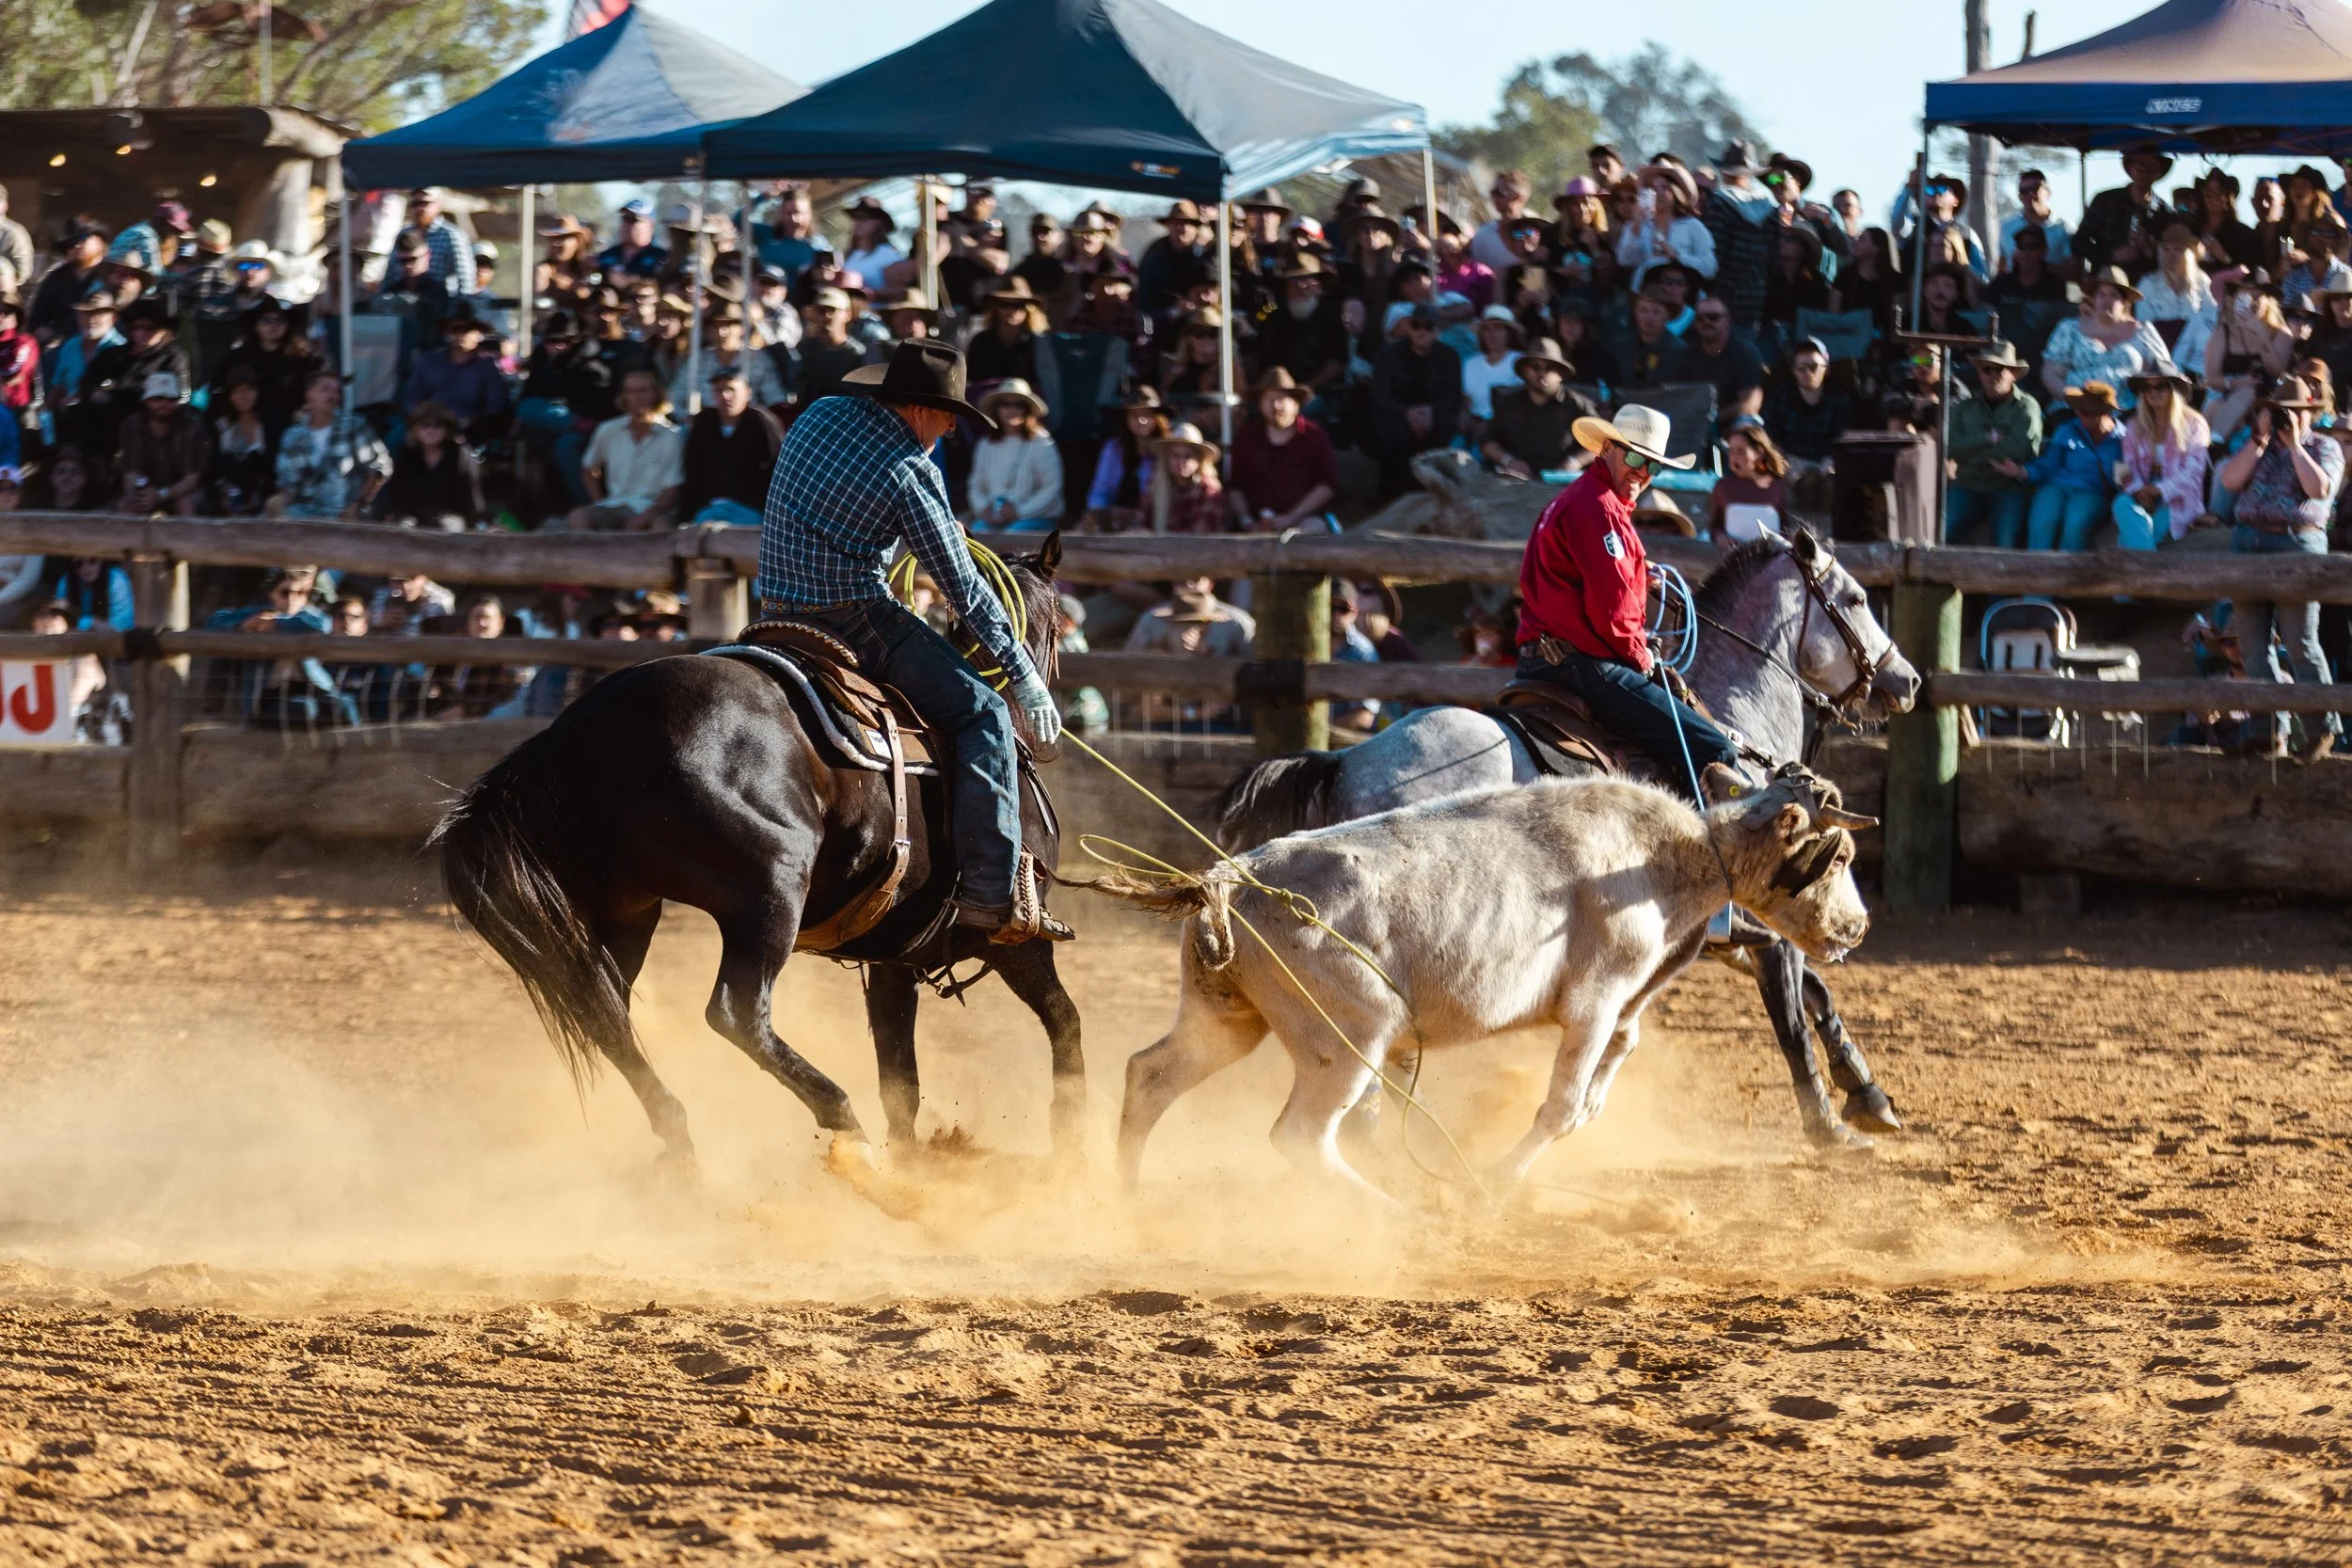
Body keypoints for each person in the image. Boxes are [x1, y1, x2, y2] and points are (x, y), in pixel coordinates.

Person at [754, 339, 1066, 942]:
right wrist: (1024, 676)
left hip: (774, 612)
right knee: (984, 713)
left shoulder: (820, 413)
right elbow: (964, 589)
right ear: (921, 409)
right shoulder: (911, 473)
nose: (950, 430)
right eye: (949, 416)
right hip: (854, 617)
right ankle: (989, 893)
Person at [1515, 403, 1740, 805]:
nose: (1643, 472)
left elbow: (1578, 577)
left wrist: (1638, 573)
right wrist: (1643, 659)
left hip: (1547, 657)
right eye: (1635, 457)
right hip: (1584, 664)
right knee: (1713, 750)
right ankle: (1699, 856)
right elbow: (1613, 616)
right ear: (1606, 450)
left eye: (1652, 465)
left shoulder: (1578, 500)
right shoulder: (1601, 509)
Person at [2216, 374, 2344, 758]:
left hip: (2296, 543)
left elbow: (2320, 489)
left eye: (2295, 413)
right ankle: (2268, 730)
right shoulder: (2258, 446)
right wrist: (2260, 440)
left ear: (2310, 413)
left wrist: (2294, 448)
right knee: (2253, 647)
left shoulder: (2325, 446)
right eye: (2280, 412)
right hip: (2248, 541)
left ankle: (2322, 728)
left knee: (2300, 642)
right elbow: (2229, 480)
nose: (2289, 419)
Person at [1943, 341, 2042, 546]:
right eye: (1986, 369)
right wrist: (1988, 439)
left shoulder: (2027, 406)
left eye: (1999, 369)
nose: (1992, 375)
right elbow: (1950, 447)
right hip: (1968, 484)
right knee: (1941, 534)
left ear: (2013, 373)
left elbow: (2022, 449)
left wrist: (1972, 453)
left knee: (2006, 544)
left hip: (2007, 487)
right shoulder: (1964, 407)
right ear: (1979, 373)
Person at [569, 367, 682, 531]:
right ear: (624, 396)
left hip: (652, 509)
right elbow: (589, 468)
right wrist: (599, 500)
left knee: (661, 526)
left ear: (657, 394)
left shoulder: (673, 436)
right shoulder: (608, 430)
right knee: (578, 517)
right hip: (614, 505)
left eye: (643, 391)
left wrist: (646, 516)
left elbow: (673, 490)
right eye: (631, 392)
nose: (638, 397)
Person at [1369, 303, 1463, 499]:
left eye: (1428, 326)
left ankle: (1436, 493)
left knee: (1446, 427)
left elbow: (1453, 395)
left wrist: (1431, 411)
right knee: (1391, 432)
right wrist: (1407, 413)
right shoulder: (1389, 355)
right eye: (1416, 325)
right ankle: (1390, 496)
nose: (1421, 331)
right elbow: (1380, 394)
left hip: (1435, 415)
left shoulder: (1449, 357)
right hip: (1398, 414)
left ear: (1437, 330)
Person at [2112, 364, 2211, 549]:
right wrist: (2139, 491)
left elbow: (2194, 473)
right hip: (2141, 495)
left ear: (2173, 389)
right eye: (2147, 387)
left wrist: (2158, 490)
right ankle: (2146, 567)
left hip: (2179, 499)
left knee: (2134, 537)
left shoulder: (2195, 424)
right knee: (2120, 504)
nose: (2153, 393)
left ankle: (2139, 569)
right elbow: (2125, 468)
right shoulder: (2133, 426)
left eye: (2160, 387)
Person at [2042, 267, 2170, 407]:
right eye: (2101, 294)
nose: (2106, 300)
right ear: (2094, 299)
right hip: (2075, 409)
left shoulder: (2143, 332)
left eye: (2113, 295)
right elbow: (2051, 373)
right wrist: (2069, 397)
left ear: (2125, 302)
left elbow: (2164, 372)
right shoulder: (2069, 328)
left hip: (2130, 411)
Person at [1228, 367, 1338, 531]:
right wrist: (1247, 521)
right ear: (1260, 405)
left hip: (1303, 521)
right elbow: (1235, 487)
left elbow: (1326, 486)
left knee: (1313, 530)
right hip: (1256, 524)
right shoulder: (1246, 437)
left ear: (1296, 404)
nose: (1276, 405)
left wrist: (1290, 518)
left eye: (1282, 399)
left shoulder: (1315, 437)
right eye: (1269, 399)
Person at [272, 369, 390, 520]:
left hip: (346, 516)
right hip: (305, 516)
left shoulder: (354, 426)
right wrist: (278, 501)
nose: (332, 396)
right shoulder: (292, 437)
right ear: (309, 394)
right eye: (325, 389)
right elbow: (288, 485)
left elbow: (380, 468)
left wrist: (359, 503)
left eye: (336, 391)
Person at [2021, 382, 2123, 551]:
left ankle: (2067, 574)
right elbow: (2048, 464)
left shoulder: (2122, 440)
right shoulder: (2067, 430)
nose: (2080, 415)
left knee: (2075, 524)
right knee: (2042, 521)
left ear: (2105, 412)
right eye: (2078, 410)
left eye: (2086, 412)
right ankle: (2036, 572)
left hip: (2093, 492)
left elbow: (2121, 480)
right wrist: (2024, 472)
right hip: (2057, 487)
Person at [678, 366, 783, 528]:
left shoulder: (762, 423)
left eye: (731, 389)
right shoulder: (703, 423)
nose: (726, 396)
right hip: (709, 508)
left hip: (750, 509)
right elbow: (693, 471)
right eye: (719, 390)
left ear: (748, 393)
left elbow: (776, 472)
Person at [1481, 338, 1596, 480]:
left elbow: (1602, 444)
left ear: (1560, 374)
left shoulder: (1578, 405)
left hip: (1563, 484)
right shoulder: (1509, 403)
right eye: (1535, 367)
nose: (1542, 373)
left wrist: (1575, 462)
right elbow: (1488, 442)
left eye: (1549, 368)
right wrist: (1508, 461)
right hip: (1517, 482)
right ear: (1524, 371)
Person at [2203, 275, 2298, 440]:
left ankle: (2215, 444)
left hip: (2265, 400)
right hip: (2226, 396)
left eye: (2256, 297)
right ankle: (2210, 447)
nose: (2251, 303)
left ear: (2268, 301)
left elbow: (2276, 370)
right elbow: (2211, 378)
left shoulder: (2281, 334)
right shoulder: (2222, 334)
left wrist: (2261, 334)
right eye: (2244, 297)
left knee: (2245, 393)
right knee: (2215, 407)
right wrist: (2236, 383)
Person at [963, 379, 1061, 531]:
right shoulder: (986, 444)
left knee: (1012, 535)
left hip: (1035, 517)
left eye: (1018, 405)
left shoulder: (1042, 442)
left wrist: (1020, 511)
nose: (1011, 410)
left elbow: (1052, 487)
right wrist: (983, 509)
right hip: (994, 519)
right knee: (976, 533)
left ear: (1027, 410)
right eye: (1005, 404)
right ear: (997, 409)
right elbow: (975, 485)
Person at [402, 307, 511, 439]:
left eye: (468, 330)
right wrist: (423, 418)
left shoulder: (488, 366)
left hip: (471, 427)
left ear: (479, 334)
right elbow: (412, 397)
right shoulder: (428, 361)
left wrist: (471, 420)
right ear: (447, 332)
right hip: (428, 423)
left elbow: (495, 404)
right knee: (397, 438)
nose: (461, 336)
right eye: (455, 330)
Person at [114, 372, 212, 516]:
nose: (165, 404)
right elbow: (131, 472)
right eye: (159, 399)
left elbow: (192, 479)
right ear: (146, 401)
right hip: (146, 489)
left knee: (185, 502)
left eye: (171, 399)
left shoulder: (191, 427)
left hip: (181, 491)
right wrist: (138, 496)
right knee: (127, 505)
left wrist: (161, 494)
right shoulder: (132, 425)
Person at [375, 402, 485, 531]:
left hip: (451, 516)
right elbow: (393, 491)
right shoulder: (405, 455)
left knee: (454, 530)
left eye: (438, 426)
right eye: (424, 426)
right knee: (402, 530)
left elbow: (471, 492)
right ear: (415, 429)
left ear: (447, 429)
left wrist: (478, 520)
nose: (430, 431)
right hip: (410, 516)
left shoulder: (460, 454)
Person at [1615, 162, 1715, 294]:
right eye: (1652, 188)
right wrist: (1636, 225)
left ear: (1676, 192)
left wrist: (1677, 256)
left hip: (1684, 301)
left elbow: (1710, 268)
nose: (1658, 193)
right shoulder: (1637, 225)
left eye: (1665, 187)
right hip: (1646, 301)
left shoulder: (1693, 226)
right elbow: (1624, 260)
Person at [2075, 145, 2173, 277]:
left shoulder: (2165, 212)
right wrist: (2112, 255)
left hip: (2146, 287)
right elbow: (2078, 242)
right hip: (2106, 284)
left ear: (2158, 173)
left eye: (2151, 168)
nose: (2144, 173)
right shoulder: (2105, 200)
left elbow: (2170, 258)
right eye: (2140, 167)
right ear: (2130, 169)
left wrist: (2148, 248)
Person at [1761, 338, 1854, 467]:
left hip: (1826, 465)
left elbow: (1842, 439)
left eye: (1813, 367)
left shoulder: (1840, 399)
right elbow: (1769, 435)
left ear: (1826, 368)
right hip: (1788, 464)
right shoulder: (1780, 396)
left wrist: (1830, 464)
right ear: (1794, 370)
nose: (1808, 373)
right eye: (1801, 368)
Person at [1125, 575, 1254, 657]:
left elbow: (1251, 664)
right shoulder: (1152, 619)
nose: (1188, 585)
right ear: (1173, 583)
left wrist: (1206, 653)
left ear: (1210, 583)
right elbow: (1129, 663)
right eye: (1182, 580)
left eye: (1194, 579)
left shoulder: (1236, 621)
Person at [1708, 416, 1789, 543]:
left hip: (1770, 558)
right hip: (1735, 558)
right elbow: (1714, 528)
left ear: (1759, 453)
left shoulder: (1776, 486)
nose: (1734, 456)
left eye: (1741, 451)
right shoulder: (1722, 487)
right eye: (1731, 451)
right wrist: (1720, 538)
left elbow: (1786, 529)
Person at [206, 365, 275, 515]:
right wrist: (224, 492)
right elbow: (213, 470)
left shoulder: (269, 427)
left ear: (258, 392)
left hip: (264, 498)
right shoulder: (221, 427)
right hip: (228, 499)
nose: (244, 396)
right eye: (237, 391)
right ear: (229, 396)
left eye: (249, 390)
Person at [786, 287, 870, 405]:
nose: (827, 316)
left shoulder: (857, 353)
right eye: (821, 310)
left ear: (847, 314)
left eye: (833, 310)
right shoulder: (804, 350)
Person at [1688, 294, 1765, 421]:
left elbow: (1750, 404)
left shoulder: (1746, 353)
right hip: (1693, 422)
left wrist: (1712, 419)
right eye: (1700, 318)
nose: (1706, 322)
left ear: (1728, 320)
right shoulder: (1686, 353)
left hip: (1733, 424)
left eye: (1714, 317)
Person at [1149, 421, 1227, 534]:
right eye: (1176, 456)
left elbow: (1200, 535)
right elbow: (1142, 518)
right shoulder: (1155, 485)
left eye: (1188, 457)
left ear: (1199, 461)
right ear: (1167, 459)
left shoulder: (1209, 490)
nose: (1182, 462)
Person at [1997, 169, 2074, 271]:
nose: (2030, 195)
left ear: (2047, 192)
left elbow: (2075, 270)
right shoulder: (2007, 227)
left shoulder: (2064, 229)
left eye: (2034, 189)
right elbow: (2001, 268)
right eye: (2023, 191)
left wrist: (2038, 269)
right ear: (2019, 196)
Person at [597, 199, 668, 279]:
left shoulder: (661, 258)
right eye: (625, 218)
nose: (626, 224)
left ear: (651, 225)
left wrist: (629, 281)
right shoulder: (606, 256)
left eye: (633, 220)